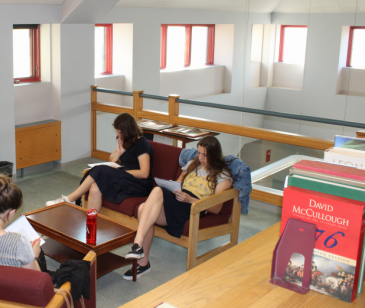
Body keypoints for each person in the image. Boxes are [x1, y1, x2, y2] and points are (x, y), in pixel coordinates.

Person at [123, 136, 233, 280]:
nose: (200, 157)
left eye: (204, 155)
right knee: (143, 209)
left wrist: (190, 200)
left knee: (155, 193)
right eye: (199, 153)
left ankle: (137, 244)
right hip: (178, 201)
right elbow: (178, 183)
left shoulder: (222, 175)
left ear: (214, 154)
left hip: (194, 208)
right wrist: (172, 186)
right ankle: (143, 263)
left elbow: (217, 208)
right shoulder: (192, 165)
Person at [46, 112, 153, 212]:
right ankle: (90, 224)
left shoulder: (142, 144)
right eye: (116, 131)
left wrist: (120, 172)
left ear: (128, 130)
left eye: (119, 132)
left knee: (101, 169)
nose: (118, 134)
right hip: (124, 178)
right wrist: (119, 152)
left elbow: (144, 173)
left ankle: (70, 199)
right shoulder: (125, 141)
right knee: (95, 187)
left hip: (138, 184)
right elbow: (112, 160)